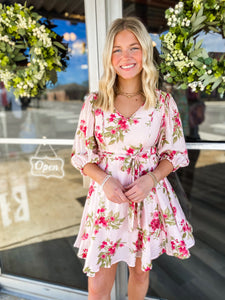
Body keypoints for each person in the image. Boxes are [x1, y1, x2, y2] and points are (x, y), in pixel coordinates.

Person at [71, 17, 195, 300]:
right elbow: (81, 156)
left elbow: (175, 153)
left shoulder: (162, 102)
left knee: (140, 272)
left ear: (145, 52)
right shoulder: (95, 102)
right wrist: (104, 181)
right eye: (117, 49)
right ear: (109, 57)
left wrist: (152, 179)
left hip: (146, 199)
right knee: (98, 282)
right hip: (106, 200)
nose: (125, 57)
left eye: (133, 48)